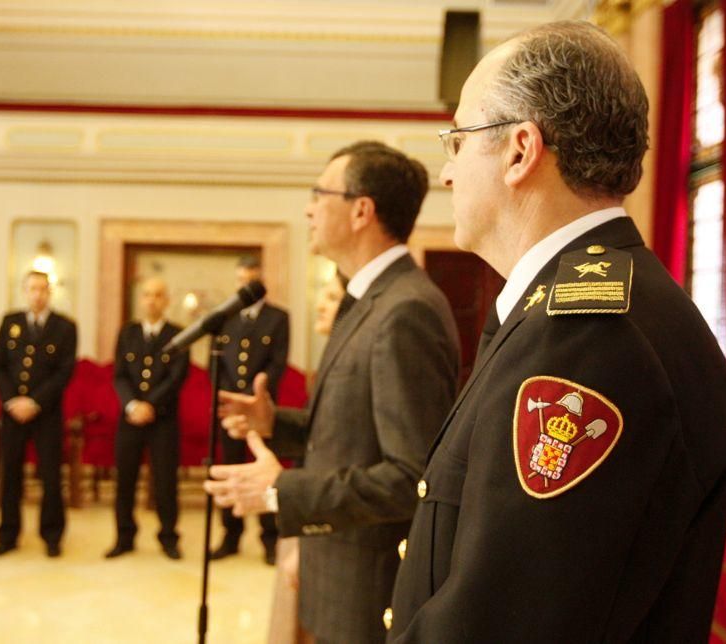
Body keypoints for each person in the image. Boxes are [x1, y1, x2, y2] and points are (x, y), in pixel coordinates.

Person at [386, 21, 726, 642]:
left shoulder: (587, 337)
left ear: (520, 151)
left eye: (457, 141)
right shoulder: (573, 308)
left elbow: (502, 623)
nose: (446, 174)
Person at [205, 141, 461, 643]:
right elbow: (356, 429)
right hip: (335, 571)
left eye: (319, 194)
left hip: (366, 588)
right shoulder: (367, 298)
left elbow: (411, 477)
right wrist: (273, 423)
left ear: (361, 210)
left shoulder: (405, 310)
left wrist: (283, 490)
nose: (308, 209)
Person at [267, 271, 346, 644]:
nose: (319, 304)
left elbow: (338, 456)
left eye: (331, 297)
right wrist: (270, 420)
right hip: (306, 505)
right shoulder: (332, 355)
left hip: (319, 510)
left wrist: (303, 541)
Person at [0, 271, 76, 558]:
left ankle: (52, 535)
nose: (37, 294)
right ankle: (8, 534)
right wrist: (12, 400)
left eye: (42, 289)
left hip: (46, 412)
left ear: (50, 292)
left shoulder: (64, 326)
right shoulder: (10, 322)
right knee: (10, 473)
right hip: (13, 411)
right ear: (24, 291)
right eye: (32, 289)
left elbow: (64, 371)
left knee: (51, 476)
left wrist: (35, 401)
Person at [210, 255, 290, 565]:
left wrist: (254, 399)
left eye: (251, 281)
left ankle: (269, 538)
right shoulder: (225, 318)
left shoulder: (277, 318)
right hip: (230, 411)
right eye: (241, 281)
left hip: (260, 410)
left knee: (263, 469)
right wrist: (229, 400)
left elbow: (277, 363)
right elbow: (215, 363)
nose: (246, 286)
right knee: (230, 470)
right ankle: (230, 535)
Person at [106, 276, 190, 560]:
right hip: (130, 418)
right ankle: (124, 537)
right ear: (140, 299)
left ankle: (168, 537)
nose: (151, 300)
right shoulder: (127, 333)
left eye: (158, 295)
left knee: (166, 481)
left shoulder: (178, 334)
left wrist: (150, 405)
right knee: (125, 479)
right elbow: (119, 375)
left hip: (163, 418)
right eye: (147, 295)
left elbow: (176, 377)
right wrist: (132, 405)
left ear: (167, 300)